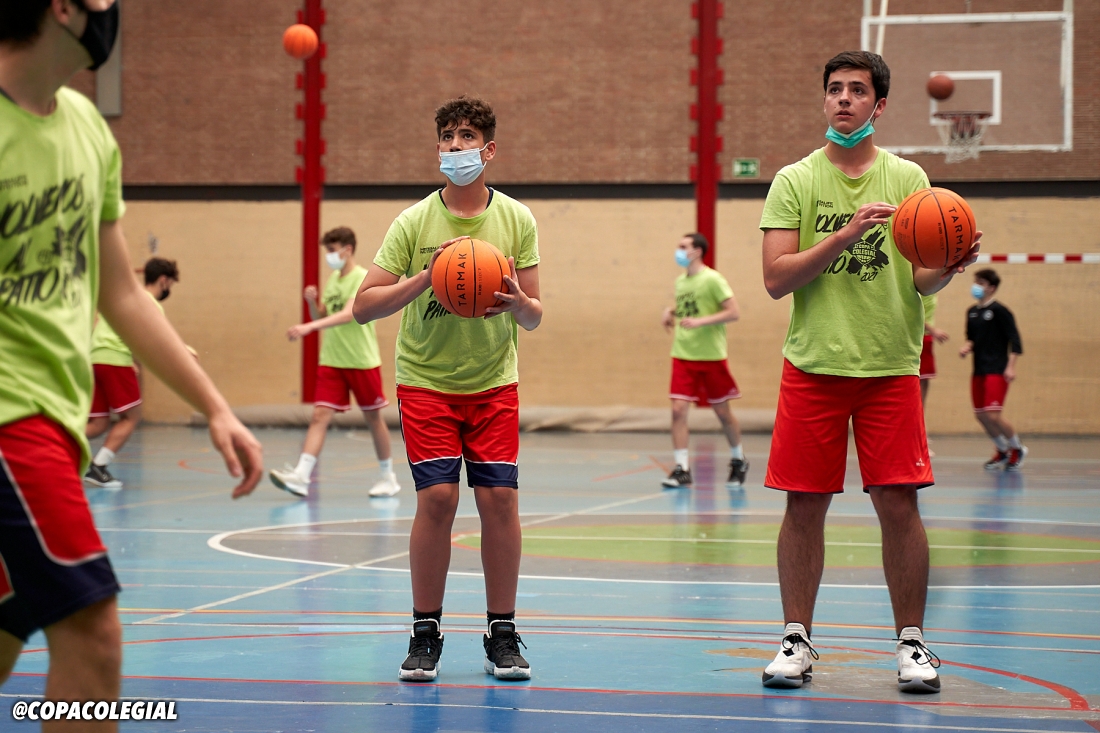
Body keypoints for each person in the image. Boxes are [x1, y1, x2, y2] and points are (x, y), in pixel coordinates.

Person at [0, 1, 263, 728]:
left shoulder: (86, 129)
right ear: (61, 6)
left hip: (54, 416)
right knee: (92, 630)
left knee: (10, 616)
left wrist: (215, 406)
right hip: (7, 419)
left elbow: (122, 293)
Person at [757, 51, 979, 694]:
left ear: (879, 105)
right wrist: (844, 236)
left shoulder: (910, 178)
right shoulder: (794, 180)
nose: (844, 99)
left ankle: (913, 646)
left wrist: (952, 263)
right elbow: (775, 280)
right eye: (834, 90)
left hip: (889, 365)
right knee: (804, 505)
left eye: (857, 90)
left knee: (898, 504)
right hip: (814, 365)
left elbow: (920, 276)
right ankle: (796, 639)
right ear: (824, 101)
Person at [353, 95, 541, 682]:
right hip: (427, 381)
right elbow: (362, 308)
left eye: (466, 137)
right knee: (437, 499)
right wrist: (423, 280)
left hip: (492, 384)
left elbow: (535, 317)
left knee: (499, 502)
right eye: (447, 137)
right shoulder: (413, 222)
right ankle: (425, 630)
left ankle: (502, 631)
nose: (456, 147)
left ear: (488, 150)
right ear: (438, 149)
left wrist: (518, 303)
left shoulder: (516, 219)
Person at [269, 227, 399, 499]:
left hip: (361, 360)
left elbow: (348, 315)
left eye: (332, 250)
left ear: (347, 249)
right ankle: (301, 476)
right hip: (332, 360)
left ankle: (388, 477)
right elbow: (325, 313)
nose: (329, 256)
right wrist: (311, 304)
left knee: (374, 419)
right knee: (319, 416)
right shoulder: (333, 281)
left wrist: (309, 326)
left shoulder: (361, 278)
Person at [660, 233, 747, 489]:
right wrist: (670, 311)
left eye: (684, 246)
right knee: (677, 411)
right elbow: (690, 307)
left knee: (722, 413)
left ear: (698, 251)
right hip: (683, 355)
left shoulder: (713, 279)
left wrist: (701, 322)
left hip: (711, 356)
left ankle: (738, 459)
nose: (679, 250)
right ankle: (682, 469)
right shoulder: (680, 282)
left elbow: (734, 312)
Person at [84, 257, 180, 488]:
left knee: (98, 423)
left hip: (94, 358)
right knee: (131, 417)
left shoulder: (123, 298)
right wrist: (185, 351)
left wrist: (133, 358)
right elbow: (158, 339)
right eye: (171, 284)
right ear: (163, 281)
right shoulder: (150, 304)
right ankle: (99, 468)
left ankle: (49, 439)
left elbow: (128, 332)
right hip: (114, 360)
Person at [959, 269, 1025, 470]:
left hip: (997, 369)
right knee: (981, 415)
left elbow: (1015, 341)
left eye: (981, 283)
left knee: (993, 415)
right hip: (978, 369)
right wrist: (967, 347)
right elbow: (972, 338)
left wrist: (1010, 367)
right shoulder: (971, 312)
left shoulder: (1000, 311)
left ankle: (1017, 448)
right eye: (975, 282)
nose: (976, 286)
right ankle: (1002, 450)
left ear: (992, 288)